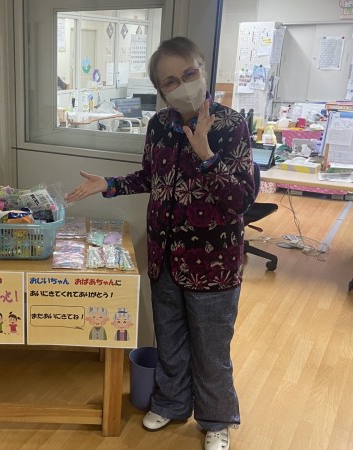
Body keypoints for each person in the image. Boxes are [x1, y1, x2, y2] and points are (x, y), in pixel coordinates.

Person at [65, 37, 255, 450]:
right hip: (164, 255)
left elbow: (241, 199)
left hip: (213, 262)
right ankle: (171, 403)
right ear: (161, 90)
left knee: (211, 347)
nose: (183, 85)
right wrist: (108, 184)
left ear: (202, 68)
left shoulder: (232, 125)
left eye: (189, 73)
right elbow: (151, 177)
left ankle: (216, 420)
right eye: (171, 81)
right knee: (169, 338)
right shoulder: (159, 126)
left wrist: (206, 155)